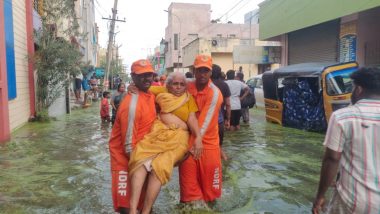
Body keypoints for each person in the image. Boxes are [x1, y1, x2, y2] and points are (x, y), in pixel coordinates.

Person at [128, 72, 203, 214]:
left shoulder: (188, 98)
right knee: (140, 157)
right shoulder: (161, 90)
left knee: (159, 167)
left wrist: (198, 136)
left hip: (179, 138)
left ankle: (146, 210)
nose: (178, 87)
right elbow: (144, 87)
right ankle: (132, 210)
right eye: (175, 84)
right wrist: (131, 87)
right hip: (158, 132)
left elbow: (192, 118)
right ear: (168, 85)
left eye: (182, 84)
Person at [312, 67, 380, 214]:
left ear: (359, 89)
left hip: (352, 201)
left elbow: (331, 159)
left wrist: (319, 197)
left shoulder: (342, 117)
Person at [108, 59, 156, 214]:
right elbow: (128, 147)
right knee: (127, 209)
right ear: (133, 77)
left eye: (149, 74)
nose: (147, 78)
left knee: (143, 207)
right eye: (142, 75)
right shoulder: (132, 105)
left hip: (142, 160)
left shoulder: (149, 95)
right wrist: (148, 167)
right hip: (125, 162)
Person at [179, 54, 223, 206]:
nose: (203, 74)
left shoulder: (215, 93)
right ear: (194, 71)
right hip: (188, 142)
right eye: (199, 70)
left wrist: (195, 142)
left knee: (211, 195)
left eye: (206, 70)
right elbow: (166, 86)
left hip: (207, 144)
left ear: (211, 72)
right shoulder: (186, 84)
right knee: (188, 196)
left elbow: (204, 123)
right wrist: (135, 88)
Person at [211, 64, 231, 161]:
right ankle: (224, 166)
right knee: (219, 146)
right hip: (220, 121)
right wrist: (228, 119)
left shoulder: (206, 85)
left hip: (207, 122)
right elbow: (228, 104)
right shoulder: (224, 85)